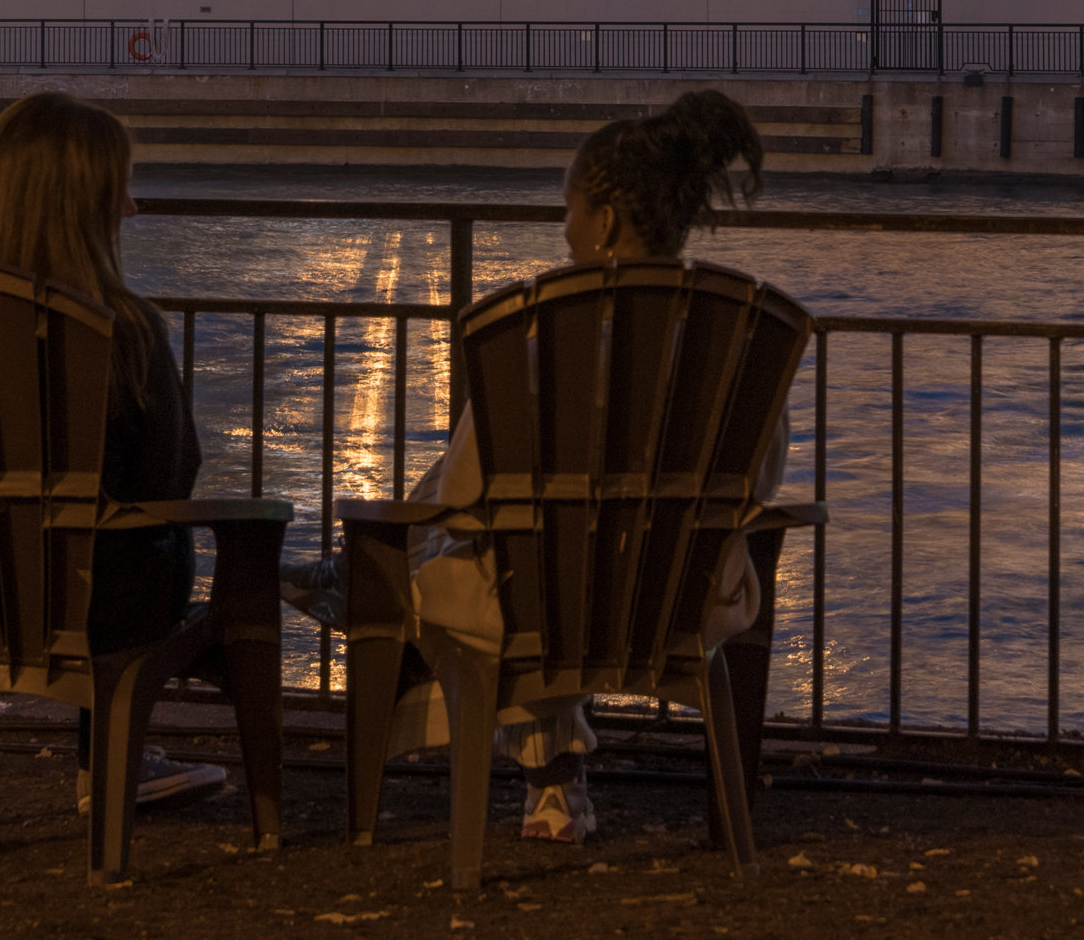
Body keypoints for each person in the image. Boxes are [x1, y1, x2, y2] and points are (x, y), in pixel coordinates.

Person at [285, 91, 777, 847]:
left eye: (571, 207)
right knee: (538, 550)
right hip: (683, 598)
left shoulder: (542, 334)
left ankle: (541, 767)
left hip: (542, 603)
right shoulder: (740, 335)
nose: (565, 227)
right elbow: (761, 478)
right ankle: (554, 783)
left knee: (475, 558)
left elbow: (463, 492)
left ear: (606, 220)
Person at [0, 92, 224, 815]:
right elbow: (172, 474)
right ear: (84, 205)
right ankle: (109, 755)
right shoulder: (122, 331)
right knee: (143, 534)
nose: (130, 211)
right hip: (96, 611)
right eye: (117, 190)